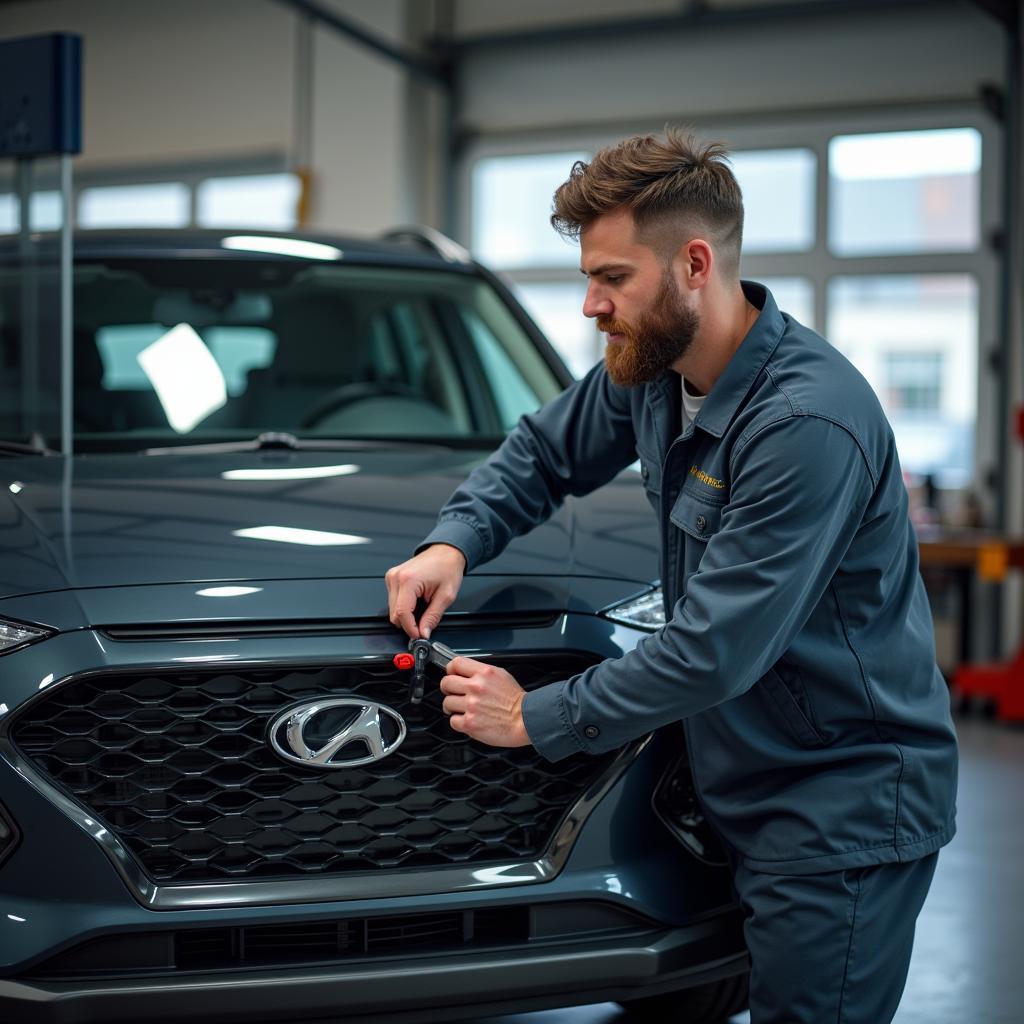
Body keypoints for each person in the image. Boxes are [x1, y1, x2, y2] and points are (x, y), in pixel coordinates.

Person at [384, 128, 958, 1024]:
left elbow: (714, 651)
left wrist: (533, 715)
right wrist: (451, 542)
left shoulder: (807, 423)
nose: (590, 305)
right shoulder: (654, 368)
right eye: (588, 277)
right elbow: (544, 451)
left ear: (693, 263)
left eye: (611, 278)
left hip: (835, 805)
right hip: (729, 780)